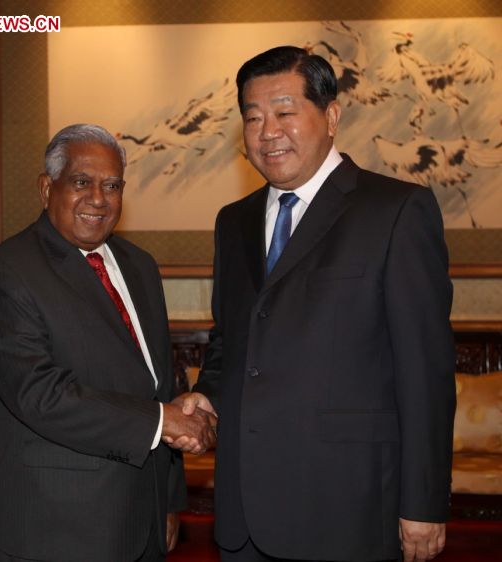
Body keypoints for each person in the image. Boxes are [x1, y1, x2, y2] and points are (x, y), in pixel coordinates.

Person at [174, 46, 456, 562]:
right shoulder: (232, 222)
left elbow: (426, 372)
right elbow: (230, 342)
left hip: (346, 510)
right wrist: (208, 395)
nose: (267, 131)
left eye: (285, 112)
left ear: (330, 115)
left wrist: (425, 501)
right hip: (244, 514)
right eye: (252, 117)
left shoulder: (395, 211)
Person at [0, 124, 216, 562]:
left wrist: (168, 501)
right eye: (82, 182)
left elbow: (155, 388)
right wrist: (163, 422)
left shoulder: (139, 266)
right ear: (47, 188)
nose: (99, 199)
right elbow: (39, 395)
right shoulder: (7, 271)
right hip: (61, 527)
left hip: (145, 520)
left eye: (112, 185)